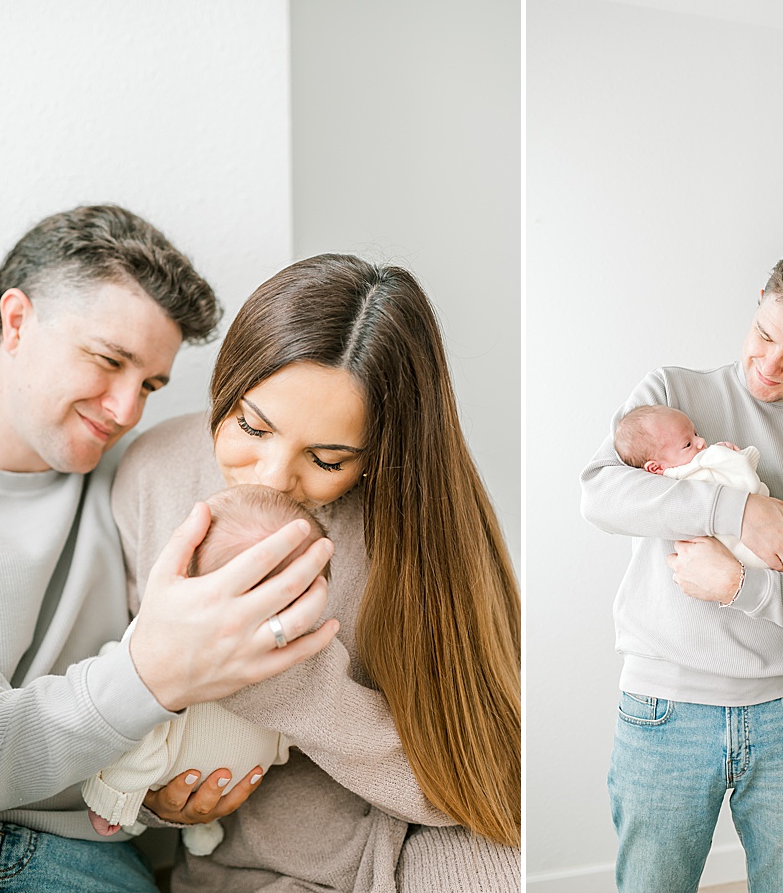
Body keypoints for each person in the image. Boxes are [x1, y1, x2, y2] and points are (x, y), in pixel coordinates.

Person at [0, 205, 337, 893]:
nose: (125, 410)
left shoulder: (146, 480)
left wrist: (154, 792)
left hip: (77, 854)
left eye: (148, 384)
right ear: (16, 321)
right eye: (108, 361)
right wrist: (148, 677)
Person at [112, 254, 521, 892]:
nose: (272, 478)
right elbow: (117, 703)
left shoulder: (416, 526)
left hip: (417, 839)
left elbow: (486, 790)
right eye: (252, 425)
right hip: (248, 870)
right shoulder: (154, 473)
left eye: (327, 459)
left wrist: (297, 689)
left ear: (379, 451)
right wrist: (149, 797)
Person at [579, 242, 783, 893]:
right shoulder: (671, 393)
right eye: (764, 334)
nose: (769, 365)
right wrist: (736, 512)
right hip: (665, 706)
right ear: (757, 306)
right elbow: (600, 495)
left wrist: (744, 585)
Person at [83, 484, 331, 856]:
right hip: (169, 755)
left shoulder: (298, 661)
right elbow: (130, 742)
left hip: (234, 775)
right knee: (132, 728)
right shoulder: (167, 645)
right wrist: (112, 799)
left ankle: (199, 824)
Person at [613, 404, 783, 569]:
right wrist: (731, 455)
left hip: (734, 552)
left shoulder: (668, 483)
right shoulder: (700, 465)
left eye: (695, 433)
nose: (701, 441)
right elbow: (747, 483)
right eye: (687, 443)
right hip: (748, 551)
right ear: (654, 468)